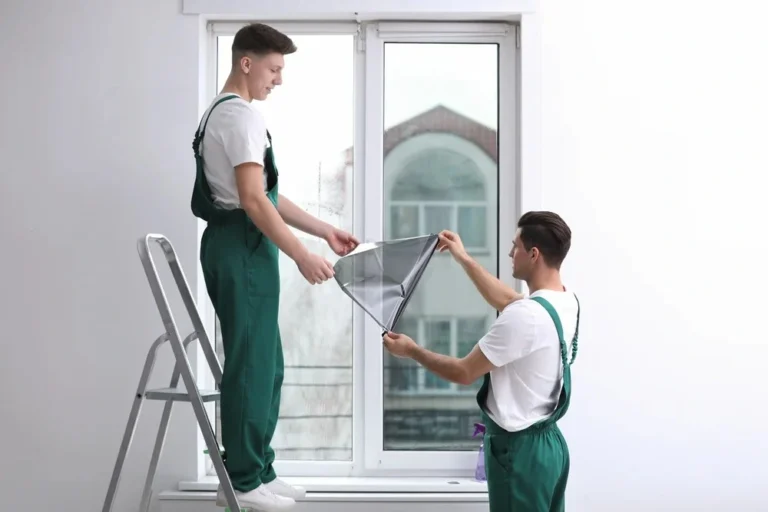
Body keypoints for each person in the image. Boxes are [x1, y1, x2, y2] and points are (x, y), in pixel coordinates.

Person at [190, 23, 359, 512]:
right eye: (274, 68)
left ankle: (259, 469)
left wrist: (322, 230)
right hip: (240, 244)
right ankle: (242, 480)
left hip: (243, 243)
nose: (278, 80)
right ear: (247, 62)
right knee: (249, 364)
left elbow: (266, 196)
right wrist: (301, 254)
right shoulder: (238, 118)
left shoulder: (226, 116)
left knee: (267, 363)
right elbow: (252, 201)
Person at [383, 211, 580, 512]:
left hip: (519, 454)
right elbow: (509, 301)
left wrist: (412, 350)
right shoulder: (566, 302)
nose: (511, 253)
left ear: (534, 254)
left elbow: (464, 371)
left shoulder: (525, 317)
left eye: (516, 246)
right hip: (551, 448)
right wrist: (462, 257)